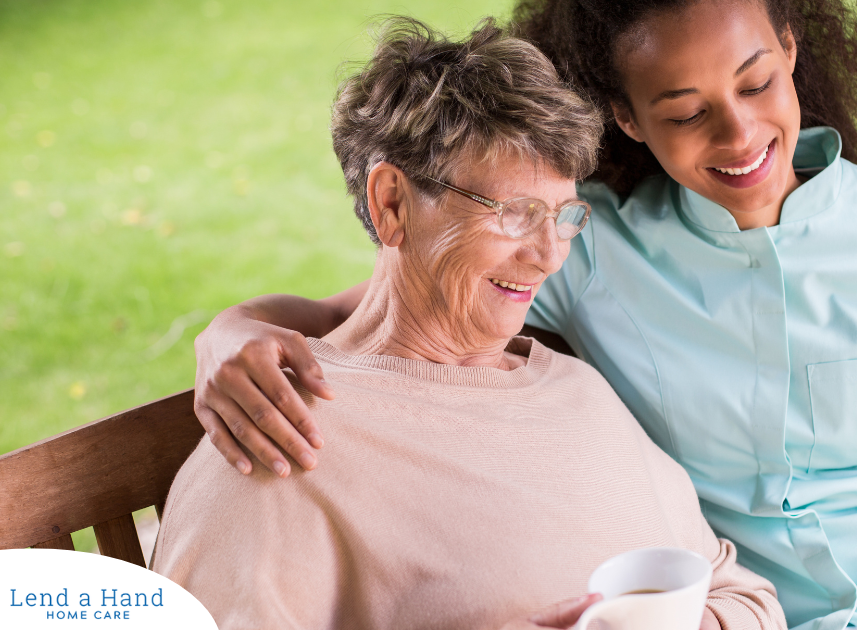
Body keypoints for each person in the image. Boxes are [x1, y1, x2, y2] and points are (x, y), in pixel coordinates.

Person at [188, 1, 857, 628]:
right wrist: (227, 334)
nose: (740, 135)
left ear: (791, 50)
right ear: (630, 119)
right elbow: (376, 313)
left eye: (758, 83)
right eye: (685, 111)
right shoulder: (594, 250)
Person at [152, 18, 786, 630]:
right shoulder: (279, 439)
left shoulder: (575, 391)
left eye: (565, 216)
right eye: (515, 212)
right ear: (392, 203)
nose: (549, 255)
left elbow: (742, 594)